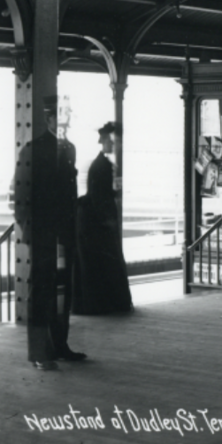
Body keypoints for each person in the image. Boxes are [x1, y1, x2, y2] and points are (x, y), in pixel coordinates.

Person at [12, 95, 85, 369]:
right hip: (43, 236)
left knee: (62, 292)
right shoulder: (32, 150)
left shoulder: (69, 149)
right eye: (61, 116)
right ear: (50, 118)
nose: (66, 121)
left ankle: (60, 345)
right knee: (41, 291)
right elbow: (20, 197)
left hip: (64, 235)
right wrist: (31, 233)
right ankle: (40, 353)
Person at [73, 122, 133, 316]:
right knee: (107, 263)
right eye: (114, 141)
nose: (116, 145)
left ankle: (98, 305)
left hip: (91, 221)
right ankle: (110, 304)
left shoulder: (100, 165)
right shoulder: (105, 166)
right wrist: (108, 220)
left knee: (95, 267)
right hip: (97, 223)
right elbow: (101, 198)